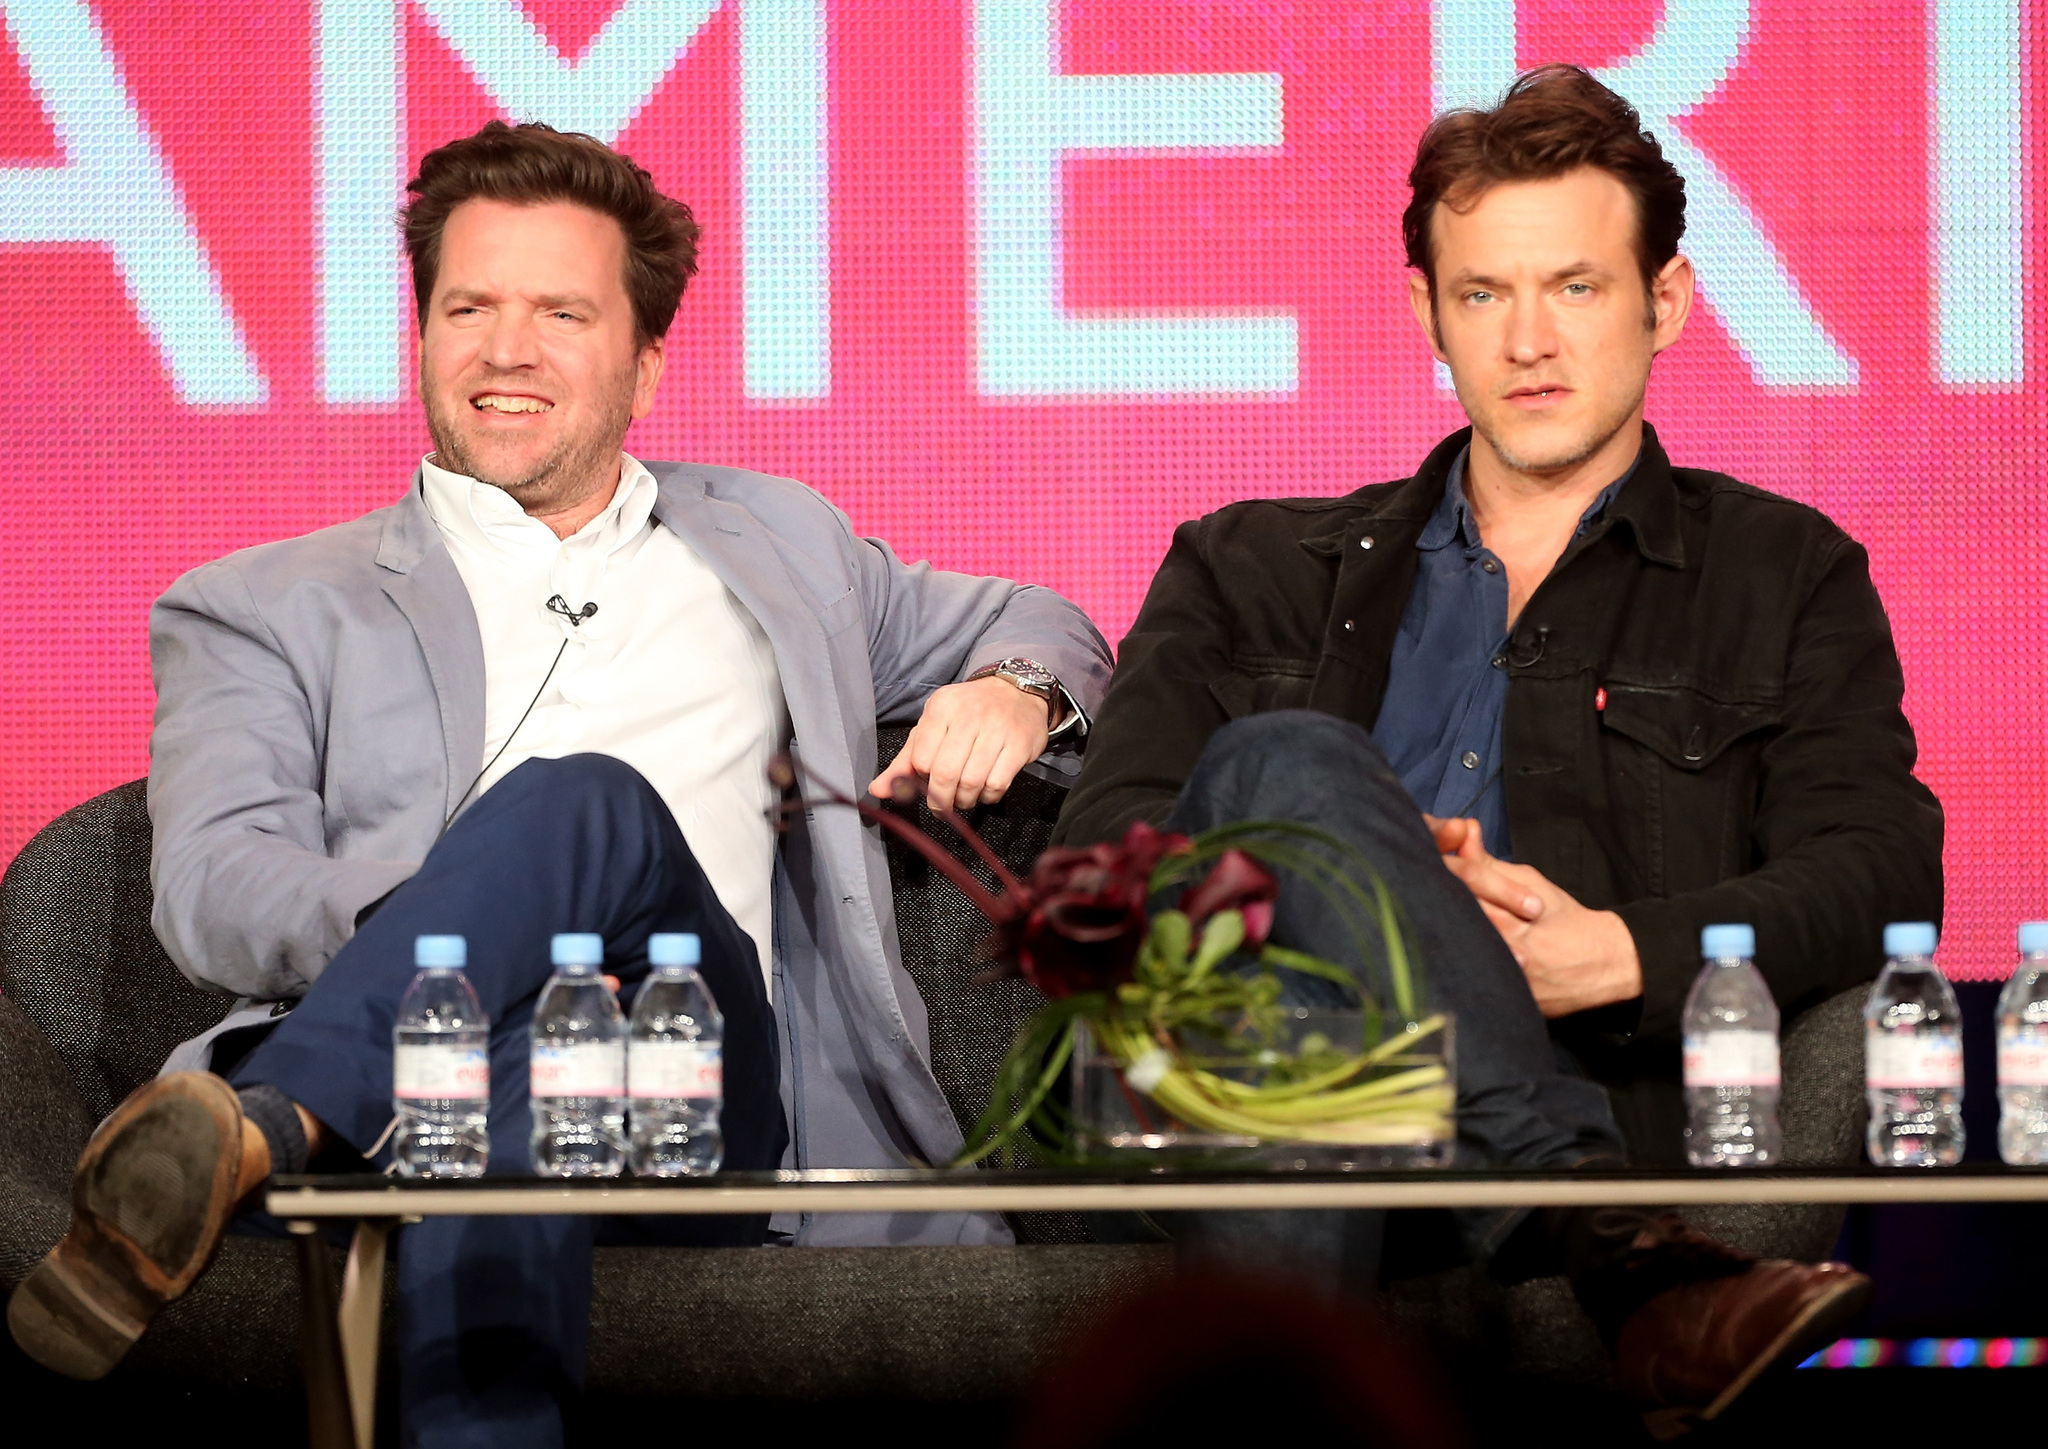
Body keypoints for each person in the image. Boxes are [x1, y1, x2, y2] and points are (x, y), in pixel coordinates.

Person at [9, 120, 1110, 1445]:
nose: (505, 349)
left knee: (587, 797)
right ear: (421, 332)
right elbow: (212, 886)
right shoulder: (261, 605)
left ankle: (259, 1127)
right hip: (428, 1085)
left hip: (721, 1088)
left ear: (646, 363)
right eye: (468, 305)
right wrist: (491, 925)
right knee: (522, 1050)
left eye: (561, 312)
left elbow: (1045, 619)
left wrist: (1017, 689)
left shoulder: (785, 541)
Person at [1055, 65, 1939, 1425]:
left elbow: (1881, 864)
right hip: (1216, 1105)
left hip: (1466, 1114)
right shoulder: (1247, 565)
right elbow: (1104, 865)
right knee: (1295, 769)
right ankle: (1619, 1253)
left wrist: (1622, 952)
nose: (1530, 341)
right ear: (1429, 314)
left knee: (1298, 1012)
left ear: (1668, 303)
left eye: (1576, 288)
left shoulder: (1781, 572)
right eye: (1484, 295)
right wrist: (1361, 883)